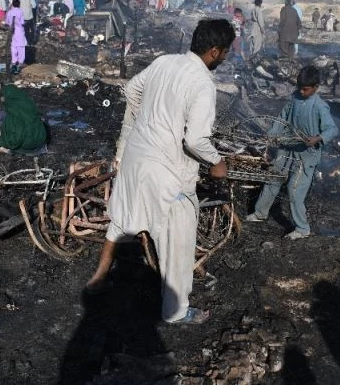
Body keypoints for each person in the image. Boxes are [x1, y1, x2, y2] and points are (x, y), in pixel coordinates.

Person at [84, 19, 234, 324]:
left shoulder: (165, 61)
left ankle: (99, 278)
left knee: (123, 220)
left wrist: (147, 124)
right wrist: (217, 162)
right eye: (226, 52)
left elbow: (131, 89)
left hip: (135, 158)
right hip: (166, 172)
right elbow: (195, 140)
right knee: (177, 245)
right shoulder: (204, 83)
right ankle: (176, 312)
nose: (227, 57)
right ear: (215, 51)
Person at [245, 66, 339, 239]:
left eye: (306, 89)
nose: (302, 92)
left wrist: (317, 138)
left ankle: (302, 229)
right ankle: (260, 213)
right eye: (299, 88)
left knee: (294, 190)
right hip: (287, 147)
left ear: (316, 87)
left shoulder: (320, 106)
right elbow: (282, 117)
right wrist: (272, 134)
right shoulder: (294, 98)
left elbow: (332, 129)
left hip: (307, 154)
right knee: (272, 178)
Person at [0, 84, 47, 151]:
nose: (1, 98)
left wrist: (3, 142)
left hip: (29, 143)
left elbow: (18, 136)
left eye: (3, 96)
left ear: (9, 96)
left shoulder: (14, 112)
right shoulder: (27, 102)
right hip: (40, 139)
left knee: (8, 124)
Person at [5, 0, 26, 74]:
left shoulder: (9, 12)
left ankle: (13, 63)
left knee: (13, 48)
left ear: (13, 4)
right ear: (19, 4)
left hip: (12, 33)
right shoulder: (20, 11)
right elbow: (22, 22)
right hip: (19, 32)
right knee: (21, 49)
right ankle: (19, 65)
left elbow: (7, 22)